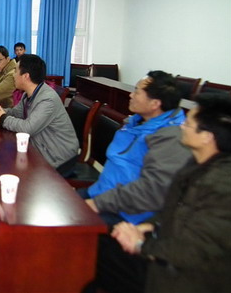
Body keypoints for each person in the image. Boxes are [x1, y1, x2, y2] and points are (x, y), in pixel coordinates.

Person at [91, 94, 231, 293]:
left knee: (94, 255)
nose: (181, 126)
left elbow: (194, 252)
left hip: (186, 277)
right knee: (95, 248)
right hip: (165, 252)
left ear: (207, 137)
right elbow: (173, 210)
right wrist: (147, 226)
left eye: (188, 124)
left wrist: (140, 245)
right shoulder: (198, 163)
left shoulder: (223, 187)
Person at [79, 71, 191, 226]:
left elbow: (151, 191)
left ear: (155, 104)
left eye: (137, 92)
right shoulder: (136, 122)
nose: (131, 95)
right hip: (102, 192)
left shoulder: (171, 138)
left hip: (126, 214)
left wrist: (97, 204)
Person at [0, 54, 78, 175]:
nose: (13, 75)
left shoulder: (47, 99)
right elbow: (17, 113)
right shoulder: (29, 93)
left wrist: (2, 118)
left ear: (25, 76)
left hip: (58, 156)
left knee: (8, 168)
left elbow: (27, 128)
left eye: (15, 71)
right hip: (39, 147)